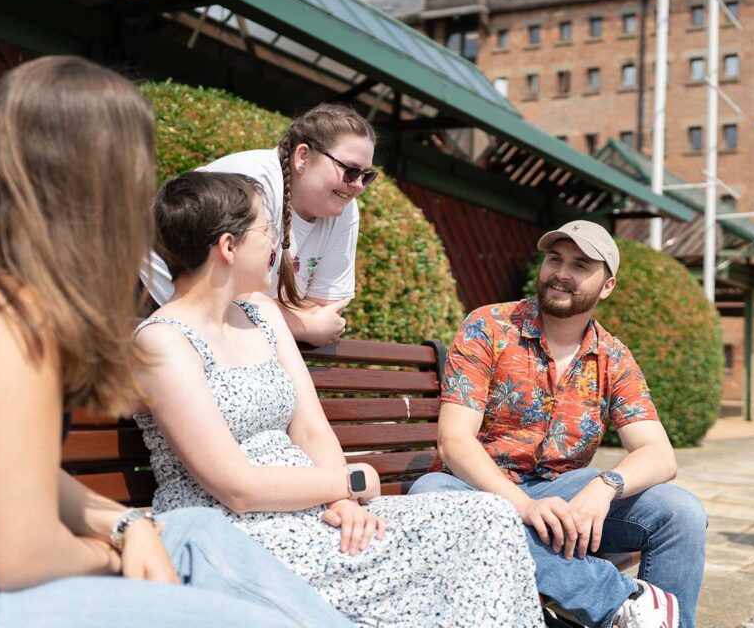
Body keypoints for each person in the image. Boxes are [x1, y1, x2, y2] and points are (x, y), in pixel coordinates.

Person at [0, 56, 355, 627]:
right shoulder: (5, 316)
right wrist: (117, 549)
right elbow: (16, 557)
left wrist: (126, 523)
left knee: (197, 534)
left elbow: (4, 468)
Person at [134, 171, 546, 627]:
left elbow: (310, 427)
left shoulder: (262, 313)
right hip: (238, 534)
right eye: (269, 230)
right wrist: (350, 482)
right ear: (229, 247)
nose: (281, 244)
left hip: (316, 510)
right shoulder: (164, 343)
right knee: (434, 548)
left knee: (486, 514)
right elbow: (236, 487)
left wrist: (345, 505)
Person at [411, 220, 707, 628]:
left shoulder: (613, 358)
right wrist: (525, 507)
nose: (561, 274)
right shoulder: (490, 326)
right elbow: (454, 442)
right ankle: (625, 608)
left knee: (680, 512)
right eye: (555, 259)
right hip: (476, 486)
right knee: (430, 493)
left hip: (563, 496)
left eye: (580, 265)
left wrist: (604, 489)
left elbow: (659, 455)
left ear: (607, 286)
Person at [142, 103, 377, 346]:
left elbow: (325, 310)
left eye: (367, 176)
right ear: (303, 157)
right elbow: (226, 291)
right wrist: (303, 326)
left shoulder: (345, 211)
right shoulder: (250, 183)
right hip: (147, 301)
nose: (358, 185)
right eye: (350, 171)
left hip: (236, 330)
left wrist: (279, 315)